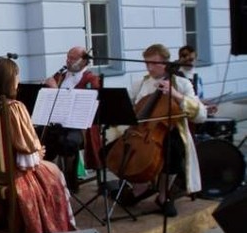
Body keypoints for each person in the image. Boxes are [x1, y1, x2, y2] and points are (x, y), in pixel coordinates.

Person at [0, 57, 76, 233]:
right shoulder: (14, 108)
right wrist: (38, 153)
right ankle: (63, 228)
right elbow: (27, 161)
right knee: (55, 171)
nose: (18, 81)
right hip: (12, 174)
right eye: (17, 76)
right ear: (10, 79)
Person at [114, 44, 207, 217]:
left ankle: (164, 195)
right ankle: (139, 187)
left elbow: (201, 115)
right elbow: (127, 107)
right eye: (146, 63)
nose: (149, 68)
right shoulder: (140, 83)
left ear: (166, 63)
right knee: (115, 148)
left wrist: (177, 96)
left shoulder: (182, 84)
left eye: (154, 63)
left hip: (171, 132)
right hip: (143, 133)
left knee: (174, 149)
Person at [42, 46, 103, 192]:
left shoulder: (91, 79)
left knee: (68, 142)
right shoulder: (62, 74)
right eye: (67, 57)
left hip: (80, 126)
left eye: (72, 58)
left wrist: (55, 90)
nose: (68, 61)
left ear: (84, 61)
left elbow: (79, 106)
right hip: (57, 123)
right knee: (40, 138)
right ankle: (47, 180)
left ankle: (71, 182)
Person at [176, 45, 217, 116]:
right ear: (181, 59)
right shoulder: (177, 77)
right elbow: (181, 101)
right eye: (187, 59)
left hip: (196, 114)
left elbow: (198, 98)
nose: (190, 62)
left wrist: (206, 106)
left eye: (192, 59)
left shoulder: (198, 77)